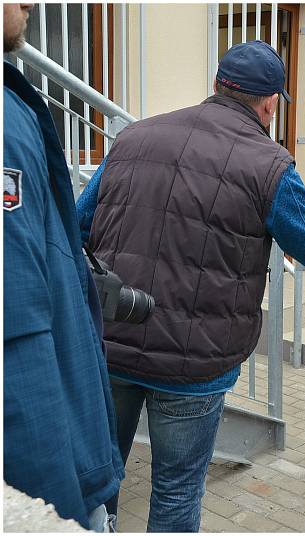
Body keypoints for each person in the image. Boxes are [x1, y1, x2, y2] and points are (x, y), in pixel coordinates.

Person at [76, 40, 305, 532]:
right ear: (271, 101)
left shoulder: (134, 138)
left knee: (100, 482)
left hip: (112, 343)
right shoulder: (269, 164)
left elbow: (78, 224)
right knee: (175, 491)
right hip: (195, 365)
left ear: (216, 85)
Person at [3, 3, 124, 531]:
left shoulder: (14, 105)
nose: (28, 3)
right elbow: (15, 325)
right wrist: (60, 500)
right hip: (47, 459)